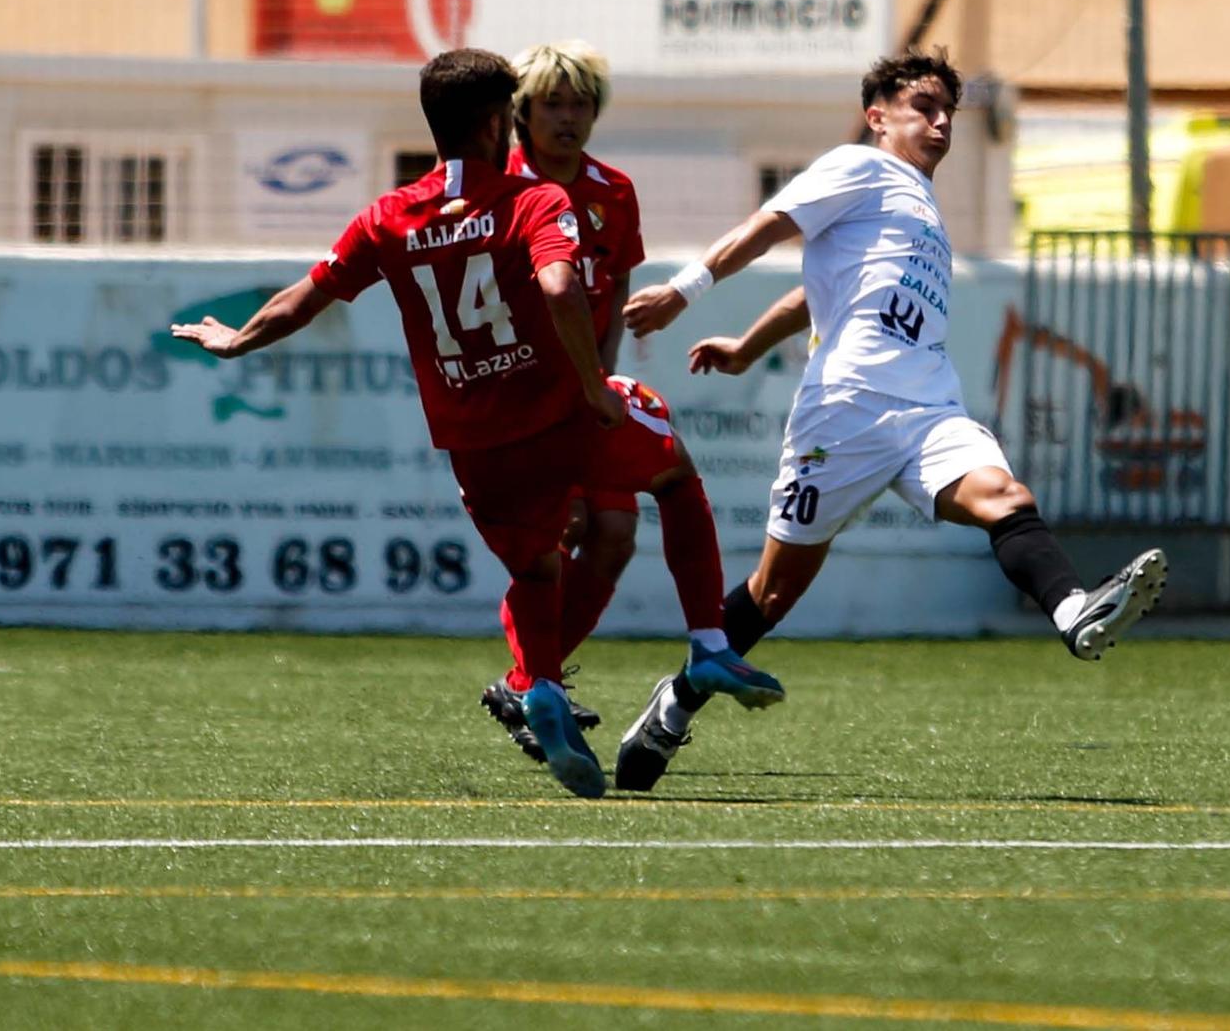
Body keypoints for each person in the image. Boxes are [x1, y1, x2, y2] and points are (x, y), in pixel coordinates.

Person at [170, 49, 769, 799]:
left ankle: (542, 689)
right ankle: (709, 641)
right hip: (558, 415)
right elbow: (560, 287)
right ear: (499, 123)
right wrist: (594, 384)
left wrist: (236, 338)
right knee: (675, 475)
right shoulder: (531, 200)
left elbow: (305, 297)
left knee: (539, 567)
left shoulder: (388, 216)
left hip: (475, 448)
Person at [614, 48, 1167, 792]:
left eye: (948, 113)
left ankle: (1073, 611)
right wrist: (685, 291)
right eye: (923, 108)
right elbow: (771, 223)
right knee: (772, 595)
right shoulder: (859, 167)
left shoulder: (919, 208)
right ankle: (676, 701)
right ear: (879, 117)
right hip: (844, 410)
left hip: (930, 404)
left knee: (1006, 498)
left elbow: (820, 293)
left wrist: (749, 346)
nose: (940, 123)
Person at [476, 40, 783, 763]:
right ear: (521, 111)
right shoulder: (498, 188)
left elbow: (607, 292)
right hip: (515, 401)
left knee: (613, 535)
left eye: (581, 103)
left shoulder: (612, 191)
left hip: (582, 393)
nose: (569, 116)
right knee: (558, 538)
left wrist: (600, 383)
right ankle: (535, 681)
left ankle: (527, 684)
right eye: (553, 102)